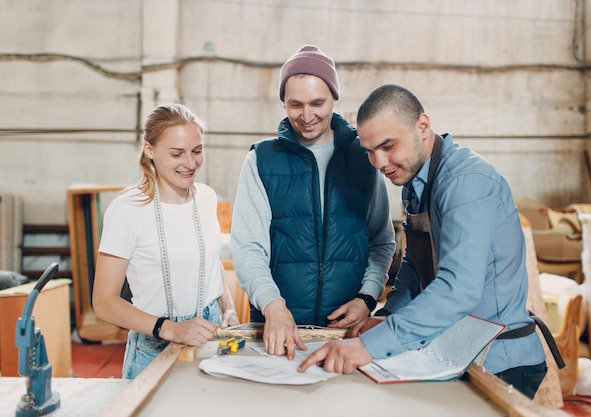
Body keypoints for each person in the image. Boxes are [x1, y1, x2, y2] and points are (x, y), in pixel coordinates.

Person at [299, 84, 554, 399]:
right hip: (453, 352)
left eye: (388, 146)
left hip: (500, 361)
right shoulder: (415, 181)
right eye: (369, 151)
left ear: (422, 127)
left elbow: (459, 288)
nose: (378, 162)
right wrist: (387, 317)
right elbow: (414, 266)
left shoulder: (466, 183)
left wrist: (367, 347)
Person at [230, 45, 396, 359]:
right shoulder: (261, 160)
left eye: (317, 103)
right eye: (296, 105)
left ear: (335, 98)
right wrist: (273, 306)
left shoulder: (364, 157)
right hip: (277, 330)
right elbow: (248, 247)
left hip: (346, 332)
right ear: (283, 102)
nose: (307, 116)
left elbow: (381, 241)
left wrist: (367, 297)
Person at [92, 103, 240, 379]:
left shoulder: (206, 198)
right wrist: (170, 328)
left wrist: (228, 309)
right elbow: (103, 301)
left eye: (197, 151)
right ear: (150, 150)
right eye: (177, 154)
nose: (190, 163)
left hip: (208, 334)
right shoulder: (127, 210)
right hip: (155, 340)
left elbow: (209, 261)